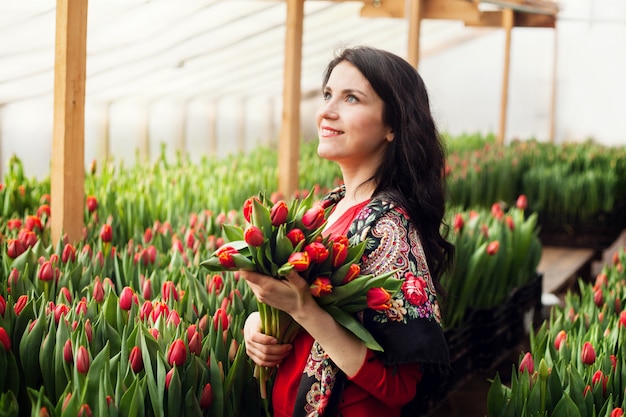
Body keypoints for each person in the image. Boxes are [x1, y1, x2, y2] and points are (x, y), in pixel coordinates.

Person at [242, 46, 454, 417]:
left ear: (393, 126)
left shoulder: (388, 226)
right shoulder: (325, 211)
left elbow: (399, 387)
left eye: (351, 98)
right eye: (327, 95)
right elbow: (301, 317)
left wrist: (303, 309)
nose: (326, 111)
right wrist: (256, 325)